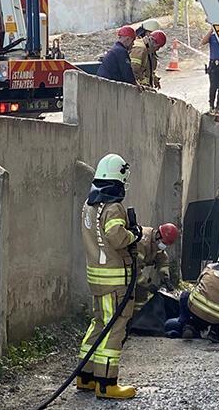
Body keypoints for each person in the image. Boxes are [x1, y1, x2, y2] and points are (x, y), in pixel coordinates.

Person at [78, 153, 141, 399]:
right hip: (115, 281)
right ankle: (106, 384)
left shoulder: (89, 204)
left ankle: (86, 377)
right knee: (114, 328)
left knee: (98, 324)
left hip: (97, 278)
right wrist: (134, 234)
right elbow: (116, 237)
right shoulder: (113, 207)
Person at [164, 249, 219, 343]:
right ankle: (214, 332)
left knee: (184, 295)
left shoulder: (209, 268)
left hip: (196, 310)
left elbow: (198, 286)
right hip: (218, 317)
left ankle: (188, 325)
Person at [134, 223, 179, 313]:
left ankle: (138, 317)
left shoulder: (155, 240)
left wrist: (165, 277)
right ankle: (132, 318)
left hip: (135, 270)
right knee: (136, 294)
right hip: (125, 269)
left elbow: (162, 258)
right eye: (164, 243)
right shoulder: (143, 243)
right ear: (159, 235)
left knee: (141, 296)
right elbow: (134, 270)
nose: (163, 245)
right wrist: (148, 285)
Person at [201, 28, 219, 114]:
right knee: (213, 86)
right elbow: (203, 42)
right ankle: (211, 107)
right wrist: (211, 30)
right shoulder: (212, 37)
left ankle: (218, 107)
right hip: (214, 64)